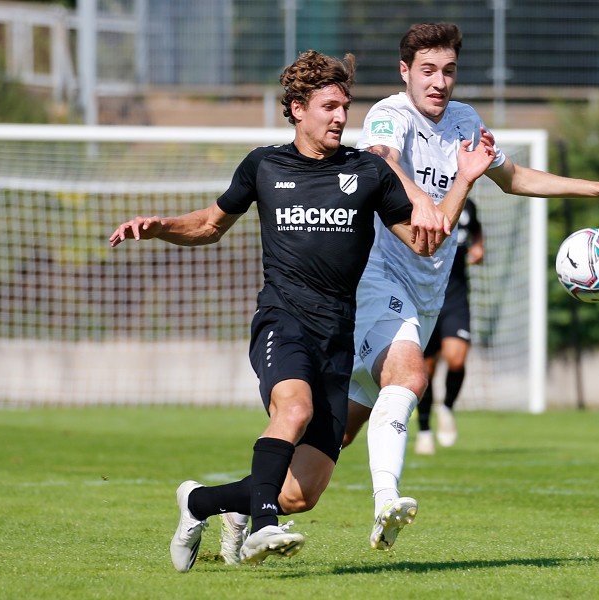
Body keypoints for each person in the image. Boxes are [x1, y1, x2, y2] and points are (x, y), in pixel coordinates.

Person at [109, 50, 496, 572]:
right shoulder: (264, 165)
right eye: (329, 106)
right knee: (293, 409)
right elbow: (207, 225)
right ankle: (262, 528)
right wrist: (160, 227)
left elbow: (426, 244)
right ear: (296, 108)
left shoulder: (367, 172)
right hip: (283, 321)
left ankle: (199, 502)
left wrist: (466, 180)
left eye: (346, 106)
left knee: (299, 494)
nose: (341, 117)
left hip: (339, 337)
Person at [336, 22, 599, 552]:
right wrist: (420, 201)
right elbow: (381, 161)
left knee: (334, 436)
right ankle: (385, 501)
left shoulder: (465, 121)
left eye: (449, 71)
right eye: (428, 70)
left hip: (429, 290)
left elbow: (515, 178)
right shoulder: (390, 114)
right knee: (412, 375)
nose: (440, 82)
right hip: (378, 275)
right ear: (405, 71)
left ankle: (231, 500)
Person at [415, 196, 483, 455]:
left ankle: (446, 408)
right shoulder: (421, 200)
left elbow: (476, 228)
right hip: (424, 293)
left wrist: (478, 247)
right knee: (425, 369)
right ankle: (424, 430)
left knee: (456, 359)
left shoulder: (468, 204)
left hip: (455, 294)